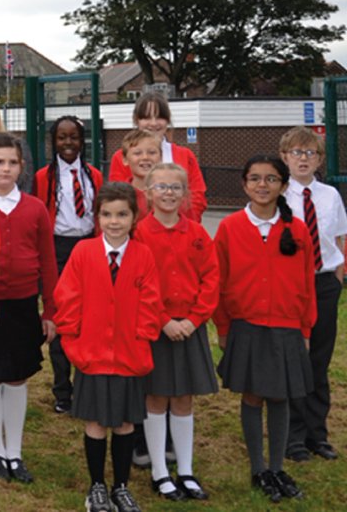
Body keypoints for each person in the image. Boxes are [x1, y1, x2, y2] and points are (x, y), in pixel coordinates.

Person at [53, 182, 161, 512]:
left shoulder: (143, 255)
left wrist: (141, 337)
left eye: (122, 215)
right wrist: (74, 343)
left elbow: (152, 302)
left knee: (125, 423)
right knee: (97, 423)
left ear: (134, 217)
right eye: (107, 215)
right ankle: (97, 486)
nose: (114, 221)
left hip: (130, 356)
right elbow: (67, 299)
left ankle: (122, 486)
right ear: (97, 216)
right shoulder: (83, 253)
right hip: (92, 355)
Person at [214, 156, 316, 503]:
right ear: (244, 184)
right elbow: (220, 281)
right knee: (253, 395)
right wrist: (224, 327)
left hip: (286, 325)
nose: (262, 185)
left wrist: (305, 327)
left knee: (280, 395)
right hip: (247, 325)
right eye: (255, 178)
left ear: (283, 186)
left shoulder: (297, 230)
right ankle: (258, 469)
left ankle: (277, 467)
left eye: (271, 179)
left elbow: (307, 282)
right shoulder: (229, 227)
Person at [0, 133, 58, 486]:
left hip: (23, 304)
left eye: (12, 162)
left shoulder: (35, 208)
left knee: (17, 376)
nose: (5, 169)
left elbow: (49, 263)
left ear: (22, 167)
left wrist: (50, 310)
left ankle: (15, 452)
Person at [137, 163, 218, 502]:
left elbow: (211, 279)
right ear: (147, 192)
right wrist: (163, 320)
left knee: (183, 399)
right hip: (157, 328)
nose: (168, 193)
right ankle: (159, 471)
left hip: (189, 328)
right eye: (161, 187)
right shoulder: (139, 233)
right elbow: (137, 283)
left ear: (185, 194)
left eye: (175, 188)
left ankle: (184, 469)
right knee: (156, 398)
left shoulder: (198, 234)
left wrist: (194, 319)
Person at [280, 126, 347, 463]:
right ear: (284, 157)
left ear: (320, 159)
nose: (303, 158)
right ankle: (291, 437)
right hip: (291, 285)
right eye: (296, 152)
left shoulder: (329, 195)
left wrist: (336, 277)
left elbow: (338, 238)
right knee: (296, 360)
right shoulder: (278, 197)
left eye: (310, 153)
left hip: (324, 283)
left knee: (319, 361)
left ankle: (316, 435)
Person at [33, 115, 102, 414]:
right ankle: (63, 390)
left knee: (90, 318)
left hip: (87, 246)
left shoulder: (94, 176)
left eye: (74, 137)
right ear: (53, 142)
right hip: (56, 248)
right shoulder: (42, 178)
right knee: (61, 319)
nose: (68, 143)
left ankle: (88, 386)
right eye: (62, 137)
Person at [108, 92, 207, 222]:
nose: (153, 123)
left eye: (159, 117)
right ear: (136, 120)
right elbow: (117, 197)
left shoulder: (185, 155)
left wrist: (183, 223)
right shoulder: (121, 156)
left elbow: (197, 195)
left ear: (168, 120)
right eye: (147, 118)